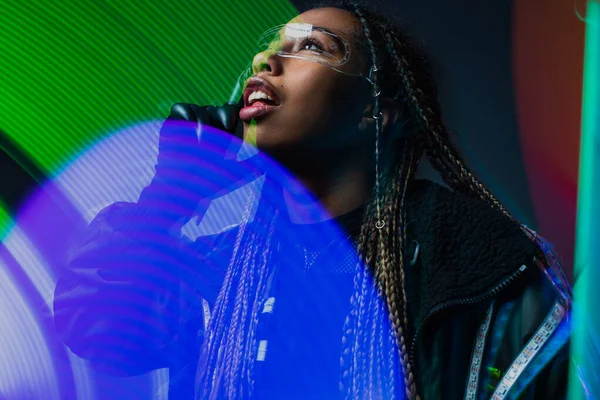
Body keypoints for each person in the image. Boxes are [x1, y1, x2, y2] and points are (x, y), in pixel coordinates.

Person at [53, 2, 574, 399]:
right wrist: (169, 199)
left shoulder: (480, 265)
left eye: (311, 47)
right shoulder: (221, 267)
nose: (265, 60)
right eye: (269, 48)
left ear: (375, 112)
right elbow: (96, 327)